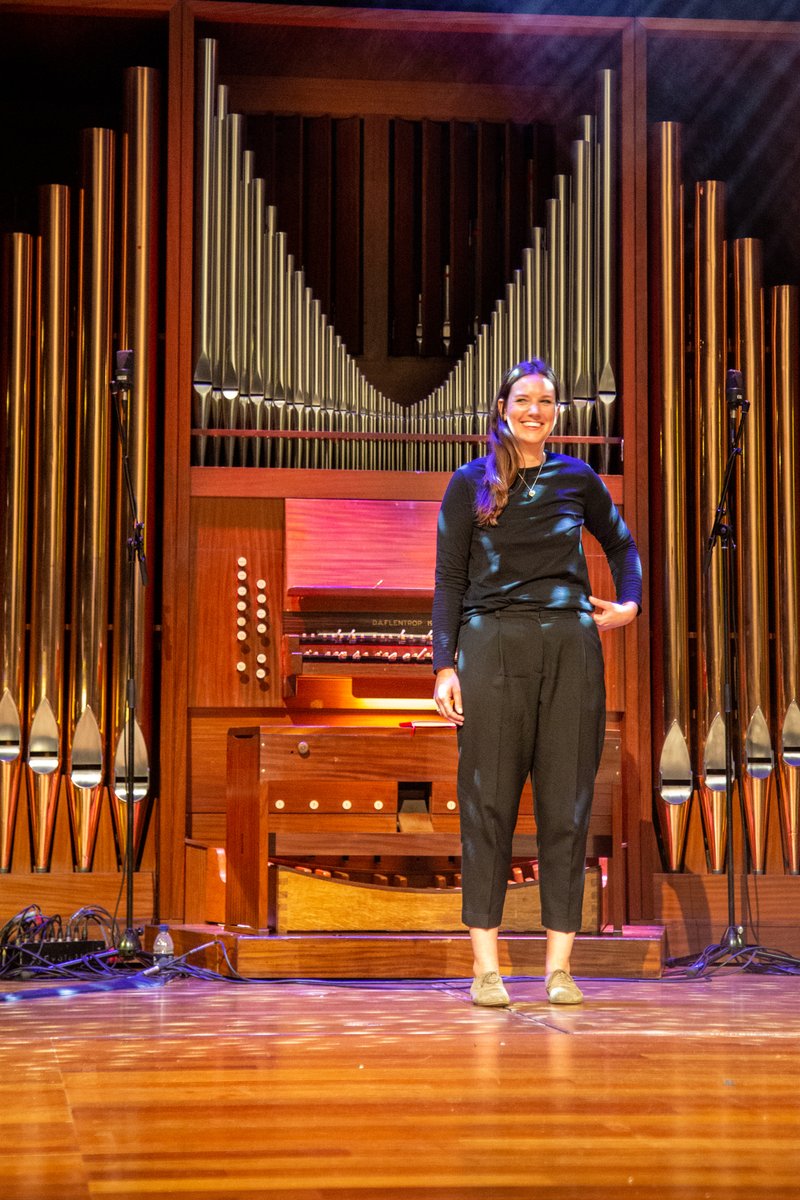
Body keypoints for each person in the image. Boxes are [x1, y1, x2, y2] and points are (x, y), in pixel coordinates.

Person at [432, 359, 641, 1007]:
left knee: (566, 802)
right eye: (524, 400)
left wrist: (628, 603)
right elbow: (449, 582)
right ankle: (487, 967)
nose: (535, 411)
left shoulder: (578, 478)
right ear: (501, 407)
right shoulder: (470, 483)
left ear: (557, 413)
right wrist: (444, 664)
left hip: (571, 647)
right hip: (491, 644)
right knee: (487, 802)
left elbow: (623, 547)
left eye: (546, 402)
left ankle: (558, 968)